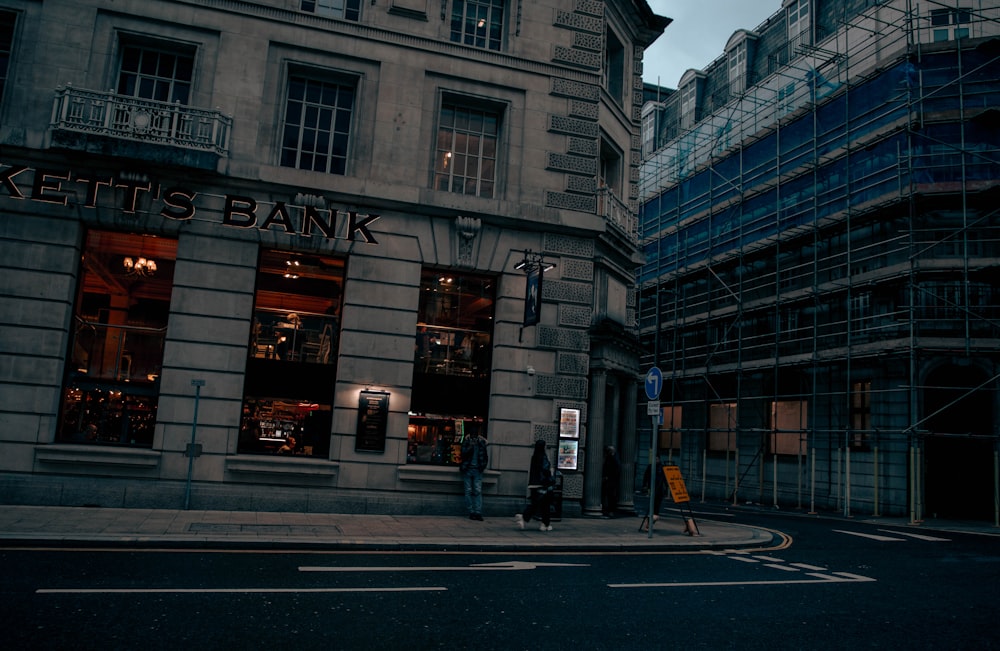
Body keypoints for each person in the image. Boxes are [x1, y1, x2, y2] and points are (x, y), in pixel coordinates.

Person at [515, 439, 555, 532]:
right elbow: (545, 470)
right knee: (543, 505)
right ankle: (527, 518)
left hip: (534, 484)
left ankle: (545, 523)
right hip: (543, 484)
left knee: (538, 503)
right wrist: (551, 473)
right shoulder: (543, 457)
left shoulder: (534, 456)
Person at [459, 429, 489, 521]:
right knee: (468, 491)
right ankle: (471, 512)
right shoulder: (467, 442)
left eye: (475, 436)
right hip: (468, 469)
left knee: (477, 491)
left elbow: (485, 456)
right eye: (472, 436)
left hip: (477, 470)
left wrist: (482, 467)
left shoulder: (481, 443)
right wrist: (470, 446)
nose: (474, 438)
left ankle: (478, 512)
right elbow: (463, 454)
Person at [641, 455, 668, 531]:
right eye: (654, 459)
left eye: (657, 459)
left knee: (656, 506)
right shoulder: (650, 467)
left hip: (659, 489)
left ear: (659, 459)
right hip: (652, 488)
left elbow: (665, 478)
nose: (655, 460)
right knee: (651, 506)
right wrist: (644, 485)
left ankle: (650, 522)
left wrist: (666, 487)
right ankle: (648, 524)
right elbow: (646, 476)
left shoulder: (661, 467)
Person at [601, 445, 620, 517]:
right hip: (611, 480)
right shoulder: (614, 458)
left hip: (610, 480)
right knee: (610, 496)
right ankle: (609, 510)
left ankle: (609, 510)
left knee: (610, 495)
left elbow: (613, 470)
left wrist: (607, 477)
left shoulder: (612, 459)